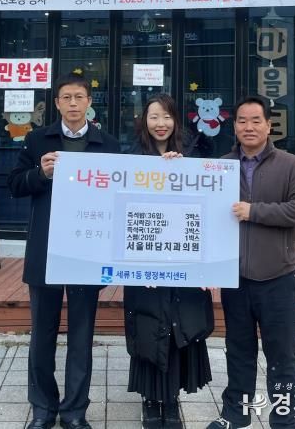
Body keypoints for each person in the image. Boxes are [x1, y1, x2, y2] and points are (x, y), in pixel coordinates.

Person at [8, 73, 120, 429]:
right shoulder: (37, 140)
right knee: (42, 336)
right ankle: (43, 408)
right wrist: (40, 173)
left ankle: (74, 411)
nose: (73, 103)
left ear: (89, 101)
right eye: (66, 97)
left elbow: (121, 193)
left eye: (79, 97)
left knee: (81, 337)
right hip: (46, 252)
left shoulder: (107, 144)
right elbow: (14, 184)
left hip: (87, 252)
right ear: (56, 103)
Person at [207, 94, 295, 429]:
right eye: (242, 120)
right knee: (238, 350)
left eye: (256, 120)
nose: (249, 127)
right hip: (236, 279)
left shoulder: (289, 164)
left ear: (270, 126)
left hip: (277, 278)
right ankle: (235, 414)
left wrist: (255, 212)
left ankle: (284, 418)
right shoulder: (221, 166)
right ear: (234, 126)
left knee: (281, 354)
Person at [124, 93, 214, 429]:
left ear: (176, 120)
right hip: (144, 261)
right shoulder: (130, 159)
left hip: (184, 260)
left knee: (179, 326)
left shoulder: (195, 156)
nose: (160, 124)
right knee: (148, 326)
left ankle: (172, 398)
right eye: (153, 117)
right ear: (144, 121)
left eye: (166, 116)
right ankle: (150, 399)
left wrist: (182, 170)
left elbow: (210, 207)